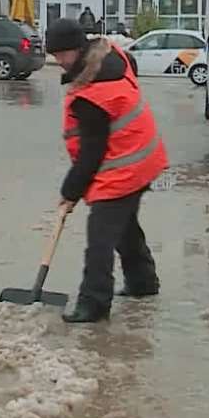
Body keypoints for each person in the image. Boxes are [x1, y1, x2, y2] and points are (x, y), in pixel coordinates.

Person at [44, 19, 169, 323]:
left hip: (124, 165)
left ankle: (94, 303)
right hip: (144, 157)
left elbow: (91, 154)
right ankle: (143, 283)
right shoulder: (111, 54)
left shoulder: (93, 94)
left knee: (99, 236)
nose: (60, 62)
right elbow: (133, 68)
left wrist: (69, 192)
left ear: (79, 48)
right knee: (124, 226)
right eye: (55, 56)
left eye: (64, 55)